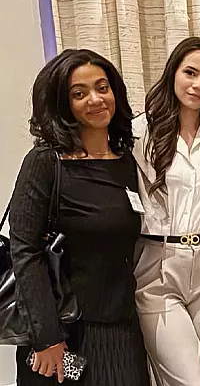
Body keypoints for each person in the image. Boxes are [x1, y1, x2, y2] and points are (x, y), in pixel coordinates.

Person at [9, 49, 149, 385]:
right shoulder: (46, 163)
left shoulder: (126, 162)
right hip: (66, 333)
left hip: (122, 329)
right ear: (62, 103)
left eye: (103, 87)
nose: (96, 99)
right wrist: (47, 337)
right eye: (79, 93)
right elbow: (25, 251)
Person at [132, 36, 200, 386]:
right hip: (158, 263)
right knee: (192, 382)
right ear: (172, 73)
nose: (198, 85)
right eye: (190, 72)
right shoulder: (138, 132)